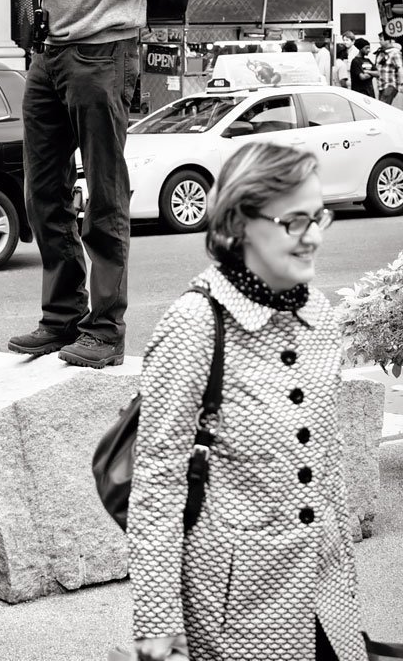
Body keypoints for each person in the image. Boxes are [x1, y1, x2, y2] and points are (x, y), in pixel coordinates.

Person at [128, 143, 365, 661]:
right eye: (294, 221)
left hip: (325, 596)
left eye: (319, 216)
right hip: (234, 610)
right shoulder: (195, 325)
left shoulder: (320, 315)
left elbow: (327, 464)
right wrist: (156, 620)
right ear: (238, 224)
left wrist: (342, 569)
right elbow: (157, 483)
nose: (315, 237)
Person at [0, 0, 173, 368]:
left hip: (103, 50)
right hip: (50, 53)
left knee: (105, 194)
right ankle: (62, 317)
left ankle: (105, 330)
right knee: (42, 191)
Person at [375, 34, 401, 106]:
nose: (379, 42)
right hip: (381, 85)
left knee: (382, 107)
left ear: (389, 40)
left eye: (381, 39)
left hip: (390, 84)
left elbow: (400, 68)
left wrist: (401, 84)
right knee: (382, 107)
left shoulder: (395, 52)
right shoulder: (381, 52)